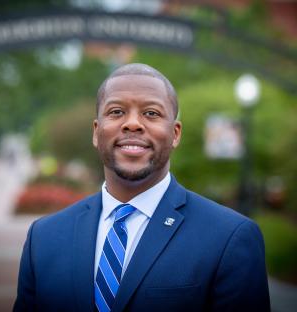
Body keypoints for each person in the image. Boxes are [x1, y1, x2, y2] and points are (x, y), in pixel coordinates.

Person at [14, 63, 270, 312]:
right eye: (116, 112)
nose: (133, 123)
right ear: (96, 132)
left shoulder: (230, 238)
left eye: (151, 113)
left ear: (175, 134)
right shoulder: (43, 238)